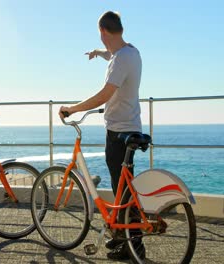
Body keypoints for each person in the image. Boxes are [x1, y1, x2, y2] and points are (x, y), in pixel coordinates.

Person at [59, 11, 145, 260]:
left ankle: (134, 245)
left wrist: (71, 108)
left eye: (100, 33)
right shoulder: (131, 52)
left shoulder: (120, 60)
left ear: (103, 31)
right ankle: (122, 238)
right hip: (129, 126)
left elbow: (104, 95)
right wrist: (98, 54)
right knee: (122, 188)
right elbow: (114, 55)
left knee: (125, 192)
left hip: (120, 132)